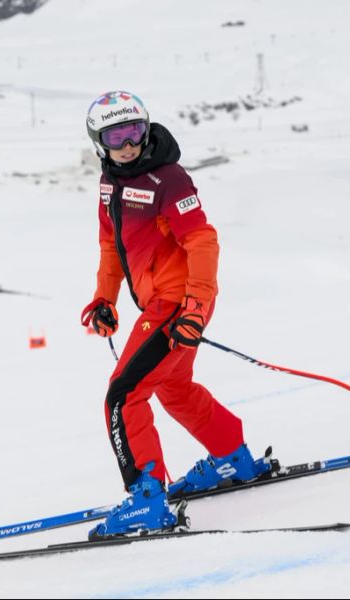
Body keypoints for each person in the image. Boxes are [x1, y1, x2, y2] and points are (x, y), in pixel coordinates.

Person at [80, 90, 271, 540]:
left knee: (123, 395)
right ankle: (233, 459)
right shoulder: (111, 183)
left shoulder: (169, 180)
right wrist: (105, 298)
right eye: (116, 135)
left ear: (146, 130)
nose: (127, 144)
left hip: (179, 303)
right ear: (99, 142)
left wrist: (196, 309)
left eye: (134, 132)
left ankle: (147, 500)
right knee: (173, 387)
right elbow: (112, 247)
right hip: (158, 303)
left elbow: (202, 242)